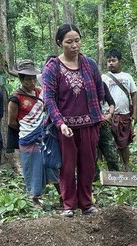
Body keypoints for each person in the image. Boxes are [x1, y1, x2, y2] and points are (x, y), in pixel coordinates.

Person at [42, 24, 105, 217]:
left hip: (89, 125)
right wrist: (60, 123)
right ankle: (68, 204)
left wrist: (99, 114)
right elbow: (49, 98)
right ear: (60, 43)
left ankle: (86, 203)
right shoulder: (53, 68)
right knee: (67, 167)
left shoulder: (90, 64)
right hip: (65, 127)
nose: (74, 45)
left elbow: (99, 90)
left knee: (88, 165)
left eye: (77, 40)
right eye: (69, 42)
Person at [8, 59, 60, 208]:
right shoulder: (15, 98)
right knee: (33, 168)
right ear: (21, 79)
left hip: (44, 137)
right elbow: (12, 122)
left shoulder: (39, 92)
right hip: (28, 138)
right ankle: (35, 197)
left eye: (33, 78)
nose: (31, 82)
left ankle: (62, 195)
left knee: (52, 164)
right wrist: (29, 130)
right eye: (28, 79)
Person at [102, 49, 137, 170]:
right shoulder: (104, 78)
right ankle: (112, 168)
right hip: (109, 116)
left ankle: (126, 165)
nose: (111, 63)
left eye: (114, 60)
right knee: (110, 144)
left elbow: (133, 94)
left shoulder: (127, 77)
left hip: (125, 115)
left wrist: (134, 112)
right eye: (109, 61)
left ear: (119, 61)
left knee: (124, 143)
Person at [96, 80, 120, 177]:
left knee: (111, 153)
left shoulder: (101, 84)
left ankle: (115, 177)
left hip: (103, 124)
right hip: (88, 125)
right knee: (90, 155)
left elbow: (111, 102)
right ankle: (95, 178)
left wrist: (109, 114)